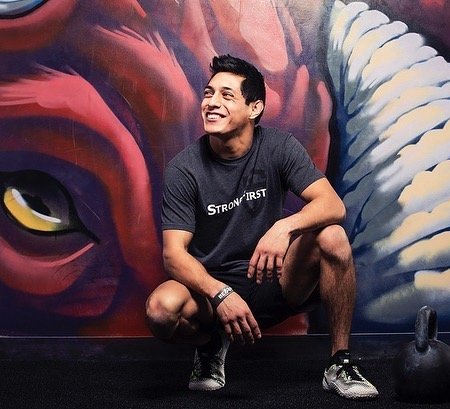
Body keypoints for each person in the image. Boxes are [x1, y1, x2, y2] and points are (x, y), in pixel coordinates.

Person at [145, 54, 379, 400]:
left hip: (274, 278)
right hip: (213, 291)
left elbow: (333, 205)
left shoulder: (278, 147)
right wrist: (221, 294)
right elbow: (173, 256)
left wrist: (284, 228)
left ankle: (339, 362)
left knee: (333, 235)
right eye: (209, 94)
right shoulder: (184, 169)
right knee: (161, 309)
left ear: (254, 108)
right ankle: (211, 344)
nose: (211, 102)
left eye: (226, 95)